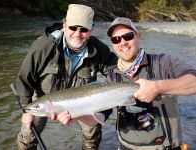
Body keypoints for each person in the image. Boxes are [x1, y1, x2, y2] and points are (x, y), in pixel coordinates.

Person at [55, 17, 196, 150]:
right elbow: (96, 120)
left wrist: (157, 87)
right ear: (113, 45)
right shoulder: (112, 78)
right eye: (116, 39)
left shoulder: (164, 62)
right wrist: (75, 114)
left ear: (138, 36)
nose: (122, 42)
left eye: (128, 36)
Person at [16, 4, 117, 150]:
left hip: (82, 101)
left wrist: (103, 111)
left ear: (91, 31)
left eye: (83, 29)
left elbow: (117, 74)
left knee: (92, 134)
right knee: (28, 135)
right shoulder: (43, 47)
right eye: (73, 27)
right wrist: (26, 110)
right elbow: (24, 79)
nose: (77, 33)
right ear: (64, 25)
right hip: (43, 99)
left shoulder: (99, 49)